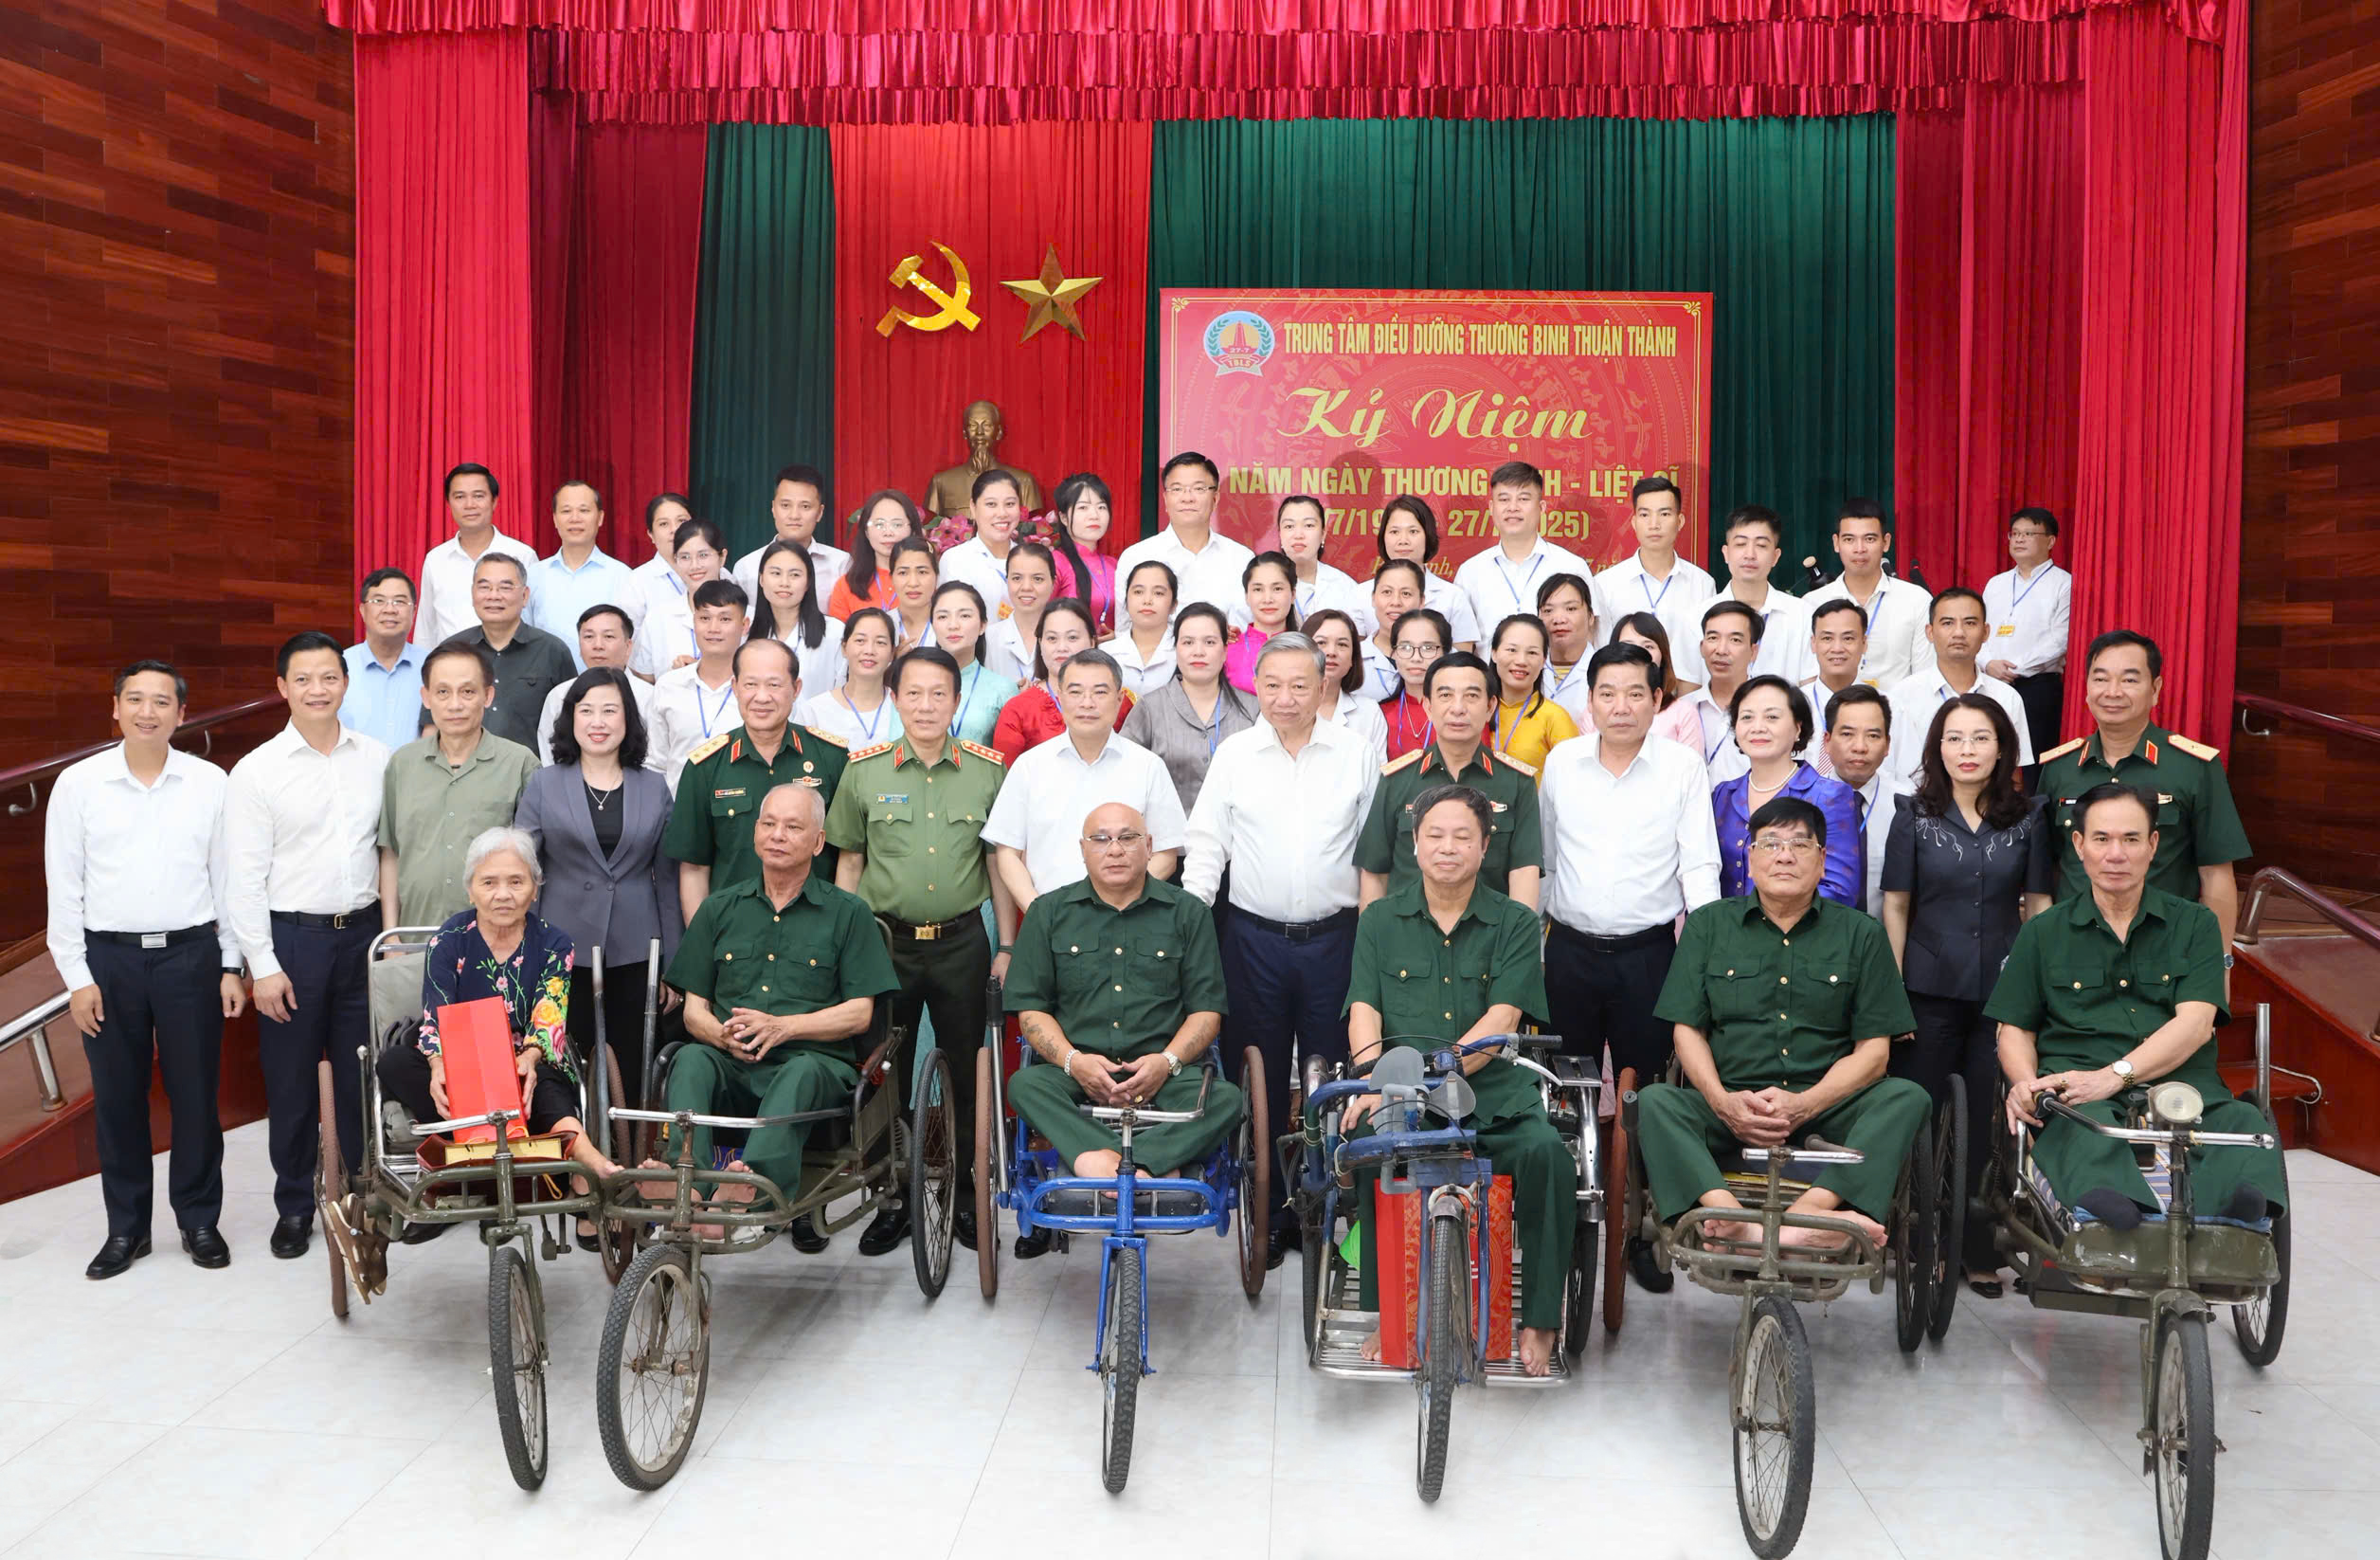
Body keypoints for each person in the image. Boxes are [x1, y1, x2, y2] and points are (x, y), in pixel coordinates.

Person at [1342, 784, 1568, 1375]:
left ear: (1485, 845)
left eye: (1463, 836)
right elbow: (1364, 1010)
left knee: (1547, 1154)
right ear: (1414, 845)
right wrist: (1373, 1080)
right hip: (1400, 1092)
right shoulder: (1379, 920)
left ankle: (1541, 1317)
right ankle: (1386, 1311)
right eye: (1435, 835)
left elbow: (1503, 1018)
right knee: (1370, 1143)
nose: (1448, 847)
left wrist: (1433, 1071)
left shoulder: (1515, 922)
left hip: (1494, 1095)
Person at [1990, 782, 2285, 1230]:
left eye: (2131, 839)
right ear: (2079, 845)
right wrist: (2026, 1084)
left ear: (2153, 845)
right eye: (2102, 839)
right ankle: (2116, 1210)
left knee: (2242, 1121)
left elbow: (2197, 1023)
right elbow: (2014, 1027)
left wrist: (2113, 1077)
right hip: (2077, 1092)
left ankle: (2234, 1211)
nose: (2116, 855)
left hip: (2185, 1089)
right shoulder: (2043, 931)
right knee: (2079, 1127)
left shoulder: (2195, 924)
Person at [1641, 796, 1927, 1252]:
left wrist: (1805, 1104)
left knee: (1907, 1097)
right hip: (1730, 1105)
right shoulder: (1708, 926)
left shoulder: (1862, 934)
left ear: (1822, 860)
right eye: (1771, 843)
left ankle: (1811, 1212)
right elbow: (1687, 1031)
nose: (1785, 856)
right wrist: (1723, 1103)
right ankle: (1727, 1213)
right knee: (1654, 1102)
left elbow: (1875, 1053)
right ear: (1750, 858)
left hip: (1827, 1108)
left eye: (1799, 844)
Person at [1181, 633, 1379, 1264]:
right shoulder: (1236, 754)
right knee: (1258, 1079)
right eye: (1272, 685)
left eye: (1300, 685)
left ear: (1323, 686)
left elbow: (1374, 857)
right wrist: (1189, 925)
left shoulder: (1356, 753)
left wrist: (1373, 939)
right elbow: (1207, 845)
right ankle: (1267, 1214)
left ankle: (1323, 1213)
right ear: (1256, 688)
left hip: (1336, 942)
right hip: (1252, 942)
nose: (1285, 697)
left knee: (1332, 1079)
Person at [47, 660, 247, 1279]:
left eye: (162, 701)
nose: (147, 712)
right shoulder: (79, 785)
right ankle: (127, 1229)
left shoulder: (210, 782)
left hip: (191, 956)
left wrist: (232, 963)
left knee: (196, 1096)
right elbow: (64, 888)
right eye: (135, 699)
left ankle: (198, 1219)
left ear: (181, 713)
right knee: (117, 1100)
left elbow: (229, 880)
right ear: (115, 708)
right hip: (109, 961)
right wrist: (77, 978)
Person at [827, 645, 1013, 1255]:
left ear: (957, 701)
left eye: (939, 694)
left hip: (962, 944)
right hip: (886, 947)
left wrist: (1007, 944)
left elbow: (998, 865)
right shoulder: (865, 771)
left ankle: (962, 1196)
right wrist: (841, 949)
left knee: (964, 1072)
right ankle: (893, 1199)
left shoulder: (988, 771)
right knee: (885, 1074)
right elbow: (849, 863)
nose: (926, 705)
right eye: (913, 693)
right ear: (895, 698)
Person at [658, 785, 901, 1222]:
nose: (777, 835)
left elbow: (860, 1014)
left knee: (800, 1071)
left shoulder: (849, 914)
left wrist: (784, 1027)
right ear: (755, 833)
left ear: (818, 842)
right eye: (768, 824)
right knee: (690, 1058)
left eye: (792, 827)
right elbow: (694, 1012)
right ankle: (686, 1185)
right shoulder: (718, 909)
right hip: (731, 1062)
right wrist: (723, 1038)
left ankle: (752, 1190)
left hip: (813, 1064)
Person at [373, 827, 627, 1242]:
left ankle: (587, 1162)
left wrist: (528, 1059)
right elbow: (435, 1011)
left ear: (535, 888)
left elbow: (549, 1014)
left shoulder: (555, 943)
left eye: (516, 882)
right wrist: (438, 1064)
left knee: (542, 1083)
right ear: (470, 889)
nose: (503, 894)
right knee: (394, 1062)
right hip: (463, 1058)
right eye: (489, 883)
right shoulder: (449, 940)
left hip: (528, 1053)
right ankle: (466, 1171)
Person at [225, 632, 388, 1261]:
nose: (317, 689)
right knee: (291, 1082)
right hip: (292, 942)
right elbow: (243, 879)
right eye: (303, 679)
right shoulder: (257, 771)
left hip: (363, 937)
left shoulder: (377, 758)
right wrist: (261, 965)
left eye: (329, 677)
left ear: (345, 683)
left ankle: (361, 1197)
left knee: (359, 1077)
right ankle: (294, 1204)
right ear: (282, 688)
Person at [1882, 694, 2050, 1294]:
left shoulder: (2029, 818)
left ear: (2002, 748)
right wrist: (1893, 995)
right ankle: (1913, 1237)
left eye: (1981, 738)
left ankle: (1978, 1244)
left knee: (1989, 1120)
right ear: (1938, 748)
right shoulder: (1914, 815)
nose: (1967, 750)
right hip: (1926, 989)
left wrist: (2033, 993)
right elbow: (1895, 906)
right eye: (1954, 738)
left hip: (2001, 996)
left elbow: (2039, 907)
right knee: (1920, 1113)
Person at [1005, 801, 1237, 1183]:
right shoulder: (1048, 913)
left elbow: (1206, 1012)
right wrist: (1074, 1063)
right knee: (1025, 1086)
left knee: (1227, 1100)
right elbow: (1031, 1012)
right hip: (1074, 1070)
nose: (1114, 850)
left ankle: (1117, 1163)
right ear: (1083, 849)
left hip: (1168, 1071)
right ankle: (1148, 1166)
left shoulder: (1188, 913)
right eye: (1101, 839)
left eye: (1127, 838)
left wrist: (1166, 1062)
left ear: (1149, 846)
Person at [1540, 644, 1722, 1091]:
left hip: (1648, 957)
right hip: (1568, 953)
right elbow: (1546, 860)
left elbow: (1699, 867)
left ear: (1657, 699)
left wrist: (1702, 961)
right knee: (1565, 1088)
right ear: (1590, 700)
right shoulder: (1563, 762)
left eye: (1635, 694)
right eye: (1607, 694)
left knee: (1646, 1090)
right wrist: (1536, 951)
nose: (1621, 707)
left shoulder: (1682, 767)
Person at [514, 668, 682, 1124]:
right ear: (570, 719)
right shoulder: (545, 783)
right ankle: (573, 1155)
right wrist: (523, 949)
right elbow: (522, 868)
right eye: (586, 710)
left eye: (610, 710)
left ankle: (628, 1155)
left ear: (628, 718)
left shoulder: (654, 786)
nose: (598, 722)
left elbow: (668, 882)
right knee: (561, 1061)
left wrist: (672, 964)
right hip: (560, 948)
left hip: (636, 949)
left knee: (631, 1066)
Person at [2033, 630, 2250, 954]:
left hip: (2165, 955)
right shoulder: (2059, 768)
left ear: (2156, 690)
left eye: (2129, 680)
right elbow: (2044, 872)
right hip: (2075, 955)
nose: (2113, 692)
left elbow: (2215, 875)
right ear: (2086, 689)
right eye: (2101, 679)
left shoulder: (2194, 767)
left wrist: (2220, 964)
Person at [986, 648, 1188, 904]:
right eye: (1076, 692)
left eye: (1100, 692)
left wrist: (1123, 905)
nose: (1087, 703)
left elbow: (1166, 854)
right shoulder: (1029, 766)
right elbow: (1007, 854)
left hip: (1128, 916)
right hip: (1051, 917)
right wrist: (1040, 912)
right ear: (1060, 696)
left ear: (1119, 699)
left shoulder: (1148, 766)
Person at [667, 637, 847, 916]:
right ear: (735, 688)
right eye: (751, 684)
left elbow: (848, 857)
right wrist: (702, 936)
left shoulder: (831, 758)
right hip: (732, 929)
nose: (762, 697)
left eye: (774, 685)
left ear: (796, 689)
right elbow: (694, 868)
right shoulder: (705, 766)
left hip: (815, 929)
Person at [1358, 650, 1542, 909]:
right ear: (1428, 706)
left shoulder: (1516, 782)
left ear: (1490, 707)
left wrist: (1519, 935)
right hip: (1407, 931)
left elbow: (1524, 873)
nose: (1458, 708)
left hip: (1490, 931)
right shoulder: (1396, 779)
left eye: (1471, 696)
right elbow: (1375, 873)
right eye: (1445, 695)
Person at [378, 640, 539, 928]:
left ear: (488, 696)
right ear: (426, 697)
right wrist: (391, 932)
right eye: (443, 692)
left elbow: (534, 861)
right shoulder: (402, 764)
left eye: (467, 692)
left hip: (496, 940)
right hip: (414, 936)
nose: (455, 705)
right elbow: (390, 853)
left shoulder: (520, 764)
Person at [1714, 676, 1862, 906]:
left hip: (1800, 927)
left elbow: (1839, 889)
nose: (1758, 727)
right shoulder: (1723, 795)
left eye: (1772, 717)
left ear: (1797, 728)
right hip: (1726, 927)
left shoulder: (1828, 796)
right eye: (1747, 717)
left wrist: (1769, 921)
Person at [1883, 587, 2036, 789]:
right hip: (1917, 804)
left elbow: (2014, 776)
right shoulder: (1901, 697)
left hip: (1988, 806)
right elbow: (1887, 771)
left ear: (1985, 632)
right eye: (1947, 623)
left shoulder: (2006, 697)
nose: (1959, 633)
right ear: (1930, 632)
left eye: (1970, 623)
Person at [1120, 602, 1254, 815]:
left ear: (1224, 651)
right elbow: (1125, 775)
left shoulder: (1253, 709)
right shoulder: (1150, 708)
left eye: (1209, 642)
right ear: (1176, 649)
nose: (1198, 652)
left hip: (1238, 833)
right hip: (1169, 835)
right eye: (1188, 642)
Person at [1451, 462, 1596, 651]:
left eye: (1523, 499)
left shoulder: (1571, 566)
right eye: (1504, 499)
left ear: (1542, 507)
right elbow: (1460, 646)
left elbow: (1591, 637)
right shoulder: (1470, 572)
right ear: (1492, 508)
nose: (1513, 507)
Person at [1594, 476, 1718, 680]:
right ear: (1634, 522)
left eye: (1664, 514)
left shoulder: (1702, 583)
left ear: (1679, 521)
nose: (1654, 524)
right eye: (1645, 514)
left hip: (1686, 692)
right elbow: (1601, 647)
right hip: (1625, 689)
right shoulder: (1606, 583)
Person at [1804, 500, 1935, 689]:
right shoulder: (1811, 604)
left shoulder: (1917, 600)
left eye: (1870, 539)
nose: (1860, 549)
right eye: (1849, 539)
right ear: (1836, 543)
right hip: (1831, 707)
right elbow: (1808, 678)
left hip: (1898, 707)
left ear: (1886, 542)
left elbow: (1925, 677)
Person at [460, 553, 578, 752]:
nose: (494, 596)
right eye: (484, 587)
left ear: (524, 596)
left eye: (505, 587)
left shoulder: (553, 651)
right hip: (463, 769)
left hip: (532, 770)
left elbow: (573, 724)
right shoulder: (453, 651)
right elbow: (432, 724)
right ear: (473, 594)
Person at [1115, 452, 1255, 615]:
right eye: (1177, 489)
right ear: (1165, 499)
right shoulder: (1136, 557)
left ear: (1215, 499)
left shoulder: (1242, 559)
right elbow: (1125, 626)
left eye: (1198, 489)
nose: (1187, 498)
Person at [988, 599, 1127, 763]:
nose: (1061, 647)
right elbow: (1004, 773)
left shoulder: (1120, 703)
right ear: (1040, 643)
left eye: (1072, 637)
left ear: (1092, 641)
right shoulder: (1018, 709)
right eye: (1052, 638)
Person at [1982, 506, 2070, 758]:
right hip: (1991, 682)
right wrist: (1987, 663)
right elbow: (1979, 631)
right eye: (2015, 533)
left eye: (2028, 534)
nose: (2019, 539)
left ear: (2050, 541)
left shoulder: (2064, 583)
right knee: (1991, 755)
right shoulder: (1995, 583)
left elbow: (2060, 640)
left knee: (2032, 763)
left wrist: (2016, 668)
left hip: (2036, 688)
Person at [415, 463, 537, 645]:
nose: (469, 505)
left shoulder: (522, 555)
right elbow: (426, 629)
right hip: (450, 661)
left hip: (511, 660)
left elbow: (534, 622)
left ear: (494, 501)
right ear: (449, 503)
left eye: (478, 496)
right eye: (460, 497)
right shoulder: (436, 559)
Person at [528, 480, 646, 664]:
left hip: (605, 679)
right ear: (555, 519)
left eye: (584, 510)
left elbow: (633, 640)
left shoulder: (623, 577)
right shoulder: (533, 576)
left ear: (600, 518)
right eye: (566, 511)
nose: (575, 518)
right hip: (546, 679)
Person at [648, 580, 751, 788]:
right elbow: (657, 764)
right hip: (678, 804)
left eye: (725, 619)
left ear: (744, 625)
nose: (713, 628)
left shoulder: (758, 689)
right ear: (693, 621)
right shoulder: (669, 686)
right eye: (705, 618)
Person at [534, 606, 662, 771]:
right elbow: (550, 756)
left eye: (608, 636)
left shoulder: (650, 696)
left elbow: (657, 759)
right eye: (589, 637)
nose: (598, 645)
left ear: (628, 646)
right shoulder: (559, 695)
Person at [1820, 685, 1900, 916]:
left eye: (1873, 736)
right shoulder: (1805, 802)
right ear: (1827, 741)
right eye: (1847, 734)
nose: (1860, 747)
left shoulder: (1906, 805)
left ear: (1887, 744)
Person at [1713, 504, 1811, 682]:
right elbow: (1690, 692)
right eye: (1741, 544)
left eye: (1761, 545)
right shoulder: (1699, 616)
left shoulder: (1802, 615)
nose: (1750, 554)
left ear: (1775, 556)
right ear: (1726, 553)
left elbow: (1809, 688)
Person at [730, 464, 850, 607]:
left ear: (819, 513)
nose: (794, 515)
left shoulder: (841, 564)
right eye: (785, 505)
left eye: (805, 506)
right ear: (773, 508)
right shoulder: (747, 567)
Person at [1670, 600, 1761, 786]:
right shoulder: (1681, 709)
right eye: (1713, 638)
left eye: (1735, 640)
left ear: (1753, 651)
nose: (1721, 650)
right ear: (1701, 647)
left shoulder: (1771, 709)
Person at [631, 517, 729, 681]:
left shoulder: (746, 616)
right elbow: (643, 676)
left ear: (722, 557)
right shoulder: (658, 618)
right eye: (685, 557)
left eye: (703, 555)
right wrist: (673, 679)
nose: (694, 565)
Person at [1377, 494, 1479, 647]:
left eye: (1413, 531)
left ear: (1428, 536)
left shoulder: (1453, 597)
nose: (1403, 540)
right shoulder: (1360, 595)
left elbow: (1463, 657)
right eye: (1394, 532)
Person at [749, 538, 846, 698]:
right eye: (776, 573)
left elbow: (843, 693)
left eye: (795, 575)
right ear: (761, 579)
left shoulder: (834, 632)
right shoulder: (745, 634)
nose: (784, 583)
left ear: (808, 582)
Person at [342, 568, 426, 751]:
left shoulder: (432, 666)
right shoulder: (339, 667)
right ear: (362, 610)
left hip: (415, 769)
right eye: (378, 601)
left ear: (413, 611)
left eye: (400, 601)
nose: (390, 609)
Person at [796, 608, 902, 751]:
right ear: (844, 648)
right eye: (860, 640)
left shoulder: (904, 708)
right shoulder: (814, 711)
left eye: (880, 642)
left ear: (892, 653)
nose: (869, 650)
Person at [929, 582, 1018, 747]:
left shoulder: (1003, 690)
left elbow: (1009, 755)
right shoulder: (913, 685)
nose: (953, 625)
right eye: (943, 617)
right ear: (932, 626)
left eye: (964, 616)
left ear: (983, 625)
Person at [1488, 613, 1579, 771]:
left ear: (1544, 660)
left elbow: (1573, 776)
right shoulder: (1478, 710)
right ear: (1494, 653)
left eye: (1532, 653)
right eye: (1512, 650)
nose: (1521, 661)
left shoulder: (1555, 718)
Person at [1267, 494, 1371, 632]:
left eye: (1309, 525)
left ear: (1323, 533)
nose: (1298, 535)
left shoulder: (1345, 587)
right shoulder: (1262, 581)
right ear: (1280, 533)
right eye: (1289, 526)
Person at [925, 400, 1042, 517]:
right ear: (965, 433)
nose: (979, 432)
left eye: (987, 425)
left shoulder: (1023, 482)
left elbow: (1030, 525)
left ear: (998, 433)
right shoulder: (941, 483)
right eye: (973, 425)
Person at [1611, 611, 1705, 754]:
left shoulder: (1684, 713)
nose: (1639, 653)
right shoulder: (1598, 709)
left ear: (1663, 656)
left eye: (1648, 646)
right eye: (1628, 645)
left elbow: (1692, 766)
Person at [1304, 608, 1391, 761]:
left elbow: (1378, 771)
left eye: (1342, 644)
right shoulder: (1282, 705)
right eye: (1321, 642)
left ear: (1353, 659)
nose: (1331, 652)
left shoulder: (1368, 712)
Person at [937, 469, 1025, 620]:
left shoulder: (1030, 559)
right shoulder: (956, 560)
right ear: (973, 507)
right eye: (991, 504)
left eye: (1010, 504)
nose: (1002, 513)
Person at [1800, 598, 1874, 774]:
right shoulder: (1792, 705)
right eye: (1827, 638)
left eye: (1848, 638)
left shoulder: (1889, 707)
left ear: (1864, 643)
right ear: (1813, 643)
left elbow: (1905, 775)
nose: (1837, 648)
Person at [826, 490, 923, 620]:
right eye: (879, 524)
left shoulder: (927, 581)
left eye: (897, 525)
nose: (888, 532)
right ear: (866, 532)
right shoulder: (846, 586)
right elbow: (838, 632)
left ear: (913, 530)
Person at [1046, 472, 1119, 632]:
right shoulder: (1054, 563)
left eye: (1101, 507)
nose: (1094, 515)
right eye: (1083, 508)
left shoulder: (1115, 565)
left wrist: (1117, 636)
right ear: (1064, 518)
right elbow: (1037, 618)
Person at [1379, 608, 1451, 761]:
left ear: (1446, 653)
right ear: (1393, 653)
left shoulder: (1463, 710)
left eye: (1428, 648)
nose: (1416, 658)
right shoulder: (1380, 714)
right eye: (1405, 647)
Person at [982, 539, 1055, 684]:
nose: (1026, 587)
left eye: (1037, 579)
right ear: (1007, 580)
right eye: (1017, 578)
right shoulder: (988, 638)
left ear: (1053, 582)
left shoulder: (1066, 636)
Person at [1101, 559, 1179, 697]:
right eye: (1138, 592)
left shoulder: (1185, 652)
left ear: (1174, 605)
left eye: (1158, 593)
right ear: (1126, 600)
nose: (1147, 600)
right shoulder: (1104, 653)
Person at [1224, 550, 1300, 692]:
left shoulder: (1307, 650)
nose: (1267, 599)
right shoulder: (1226, 650)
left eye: (1277, 588)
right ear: (1247, 596)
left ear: (1293, 594)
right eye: (1258, 589)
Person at [627, 491, 695, 644]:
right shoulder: (637, 581)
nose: (674, 529)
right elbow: (628, 638)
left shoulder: (719, 573)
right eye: (664, 524)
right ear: (651, 534)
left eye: (682, 521)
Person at [1534, 572, 1598, 721]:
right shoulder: (1529, 667)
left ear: (1590, 617)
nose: (1559, 619)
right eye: (1548, 610)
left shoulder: (1606, 670)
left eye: (1570, 609)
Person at [1361, 561, 1428, 699]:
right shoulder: (1353, 658)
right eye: (1387, 592)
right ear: (1373, 598)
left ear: (1422, 601)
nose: (1396, 602)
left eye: (1406, 593)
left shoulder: (1444, 657)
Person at [885, 535, 942, 653]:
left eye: (922, 572)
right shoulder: (881, 626)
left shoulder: (950, 626)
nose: (913, 583)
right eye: (903, 573)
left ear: (936, 577)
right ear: (891, 578)